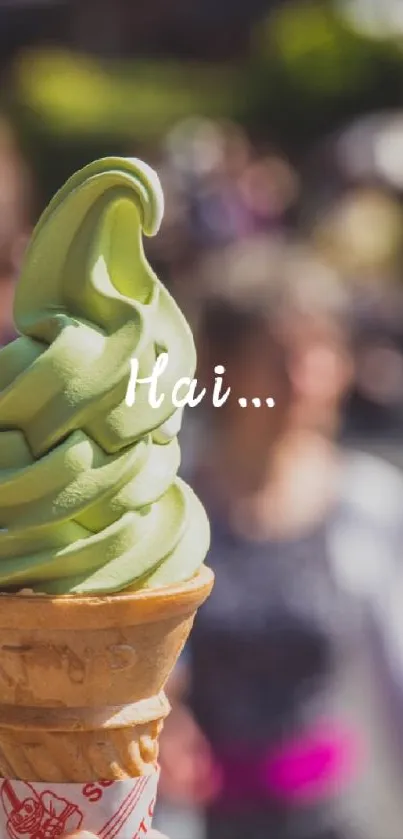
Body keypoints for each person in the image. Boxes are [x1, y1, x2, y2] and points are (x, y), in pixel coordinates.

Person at [159, 236, 403, 839]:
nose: (304, 379)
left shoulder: (367, 503)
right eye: (279, 356)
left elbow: (394, 674)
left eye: (319, 353)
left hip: (334, 818)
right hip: (202, 820)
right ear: (224, 370)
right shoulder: (169, 511)